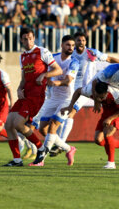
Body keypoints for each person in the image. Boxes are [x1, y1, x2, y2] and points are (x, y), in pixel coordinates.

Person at [48, 32, 119, 157]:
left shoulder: (91, 53)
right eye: (78, 40)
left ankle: (60, 144)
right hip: (70, 87)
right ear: (74, 42)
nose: (81, 43)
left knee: (70, 112)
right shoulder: (68, 55)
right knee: (62, 114)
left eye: (83, 40)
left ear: (85, 42)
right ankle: (59, 143)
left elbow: (109, 58)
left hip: (87, 88)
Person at [3, 28, 62, 167]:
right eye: (25, 39)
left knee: (18, 124)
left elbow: (58, 69)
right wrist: (18, 88)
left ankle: (41, 148)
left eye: (30, 38)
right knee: (8, 124)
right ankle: (17, 160)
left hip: (37, 95)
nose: (28, 41)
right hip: (25, 94)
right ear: (21, 40)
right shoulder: (22, 56)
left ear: (34, 38)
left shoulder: (42, 51)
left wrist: (44, 75)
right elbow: (24, 78)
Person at [61, 80, 119, 169]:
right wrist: (70, 106)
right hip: (107, 112)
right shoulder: (91, 91)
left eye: (102, 97)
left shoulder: (115, 94)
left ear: (106, 92)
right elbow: (78, 91)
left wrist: (110, 118)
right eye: (98, 97)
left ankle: (111, 163)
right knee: (99, 140)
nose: (100, 99)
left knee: (107, 135)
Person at [28, 35, 78, 166]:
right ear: (61, 45)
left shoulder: (74, 62)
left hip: (67, 99)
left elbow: (68, 81)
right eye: (68, 45)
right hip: (52, 99)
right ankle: (69, 149)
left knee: (53, 127)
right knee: (42, 130)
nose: (71, 48)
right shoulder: (53, 58)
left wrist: (54, 83)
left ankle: (41, 160)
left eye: (73, 45)